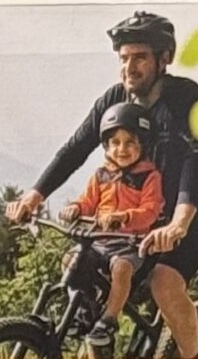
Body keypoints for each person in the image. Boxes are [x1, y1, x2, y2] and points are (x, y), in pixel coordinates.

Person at [8, 9, 198, 359]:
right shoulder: (113, 100)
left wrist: (179, 223)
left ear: (164, 59)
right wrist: (34, 196)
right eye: (124, 58)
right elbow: (75, 148)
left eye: (140, 57)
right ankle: (101, 349)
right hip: (144, 211)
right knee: (79, 264)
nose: (130, 67)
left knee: (164, 280)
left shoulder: (185, 96)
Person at [67, 103, 167, 334]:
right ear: (106, 146)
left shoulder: (149, 176)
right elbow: (88, 202)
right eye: (115, 142)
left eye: (130, 142)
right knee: (70, 260)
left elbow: (150, 211)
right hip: (99, 241)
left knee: (121, 269)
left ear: (143, 145)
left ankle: (109, 319)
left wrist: (124, 217)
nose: (122, 149)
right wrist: (75, 208)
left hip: (130, 245)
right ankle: (85, 306)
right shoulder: (101, 175)